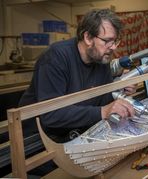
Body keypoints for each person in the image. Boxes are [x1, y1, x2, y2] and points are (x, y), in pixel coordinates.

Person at [19, 9, 136, 143]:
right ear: (87, 37)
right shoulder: (56, 57)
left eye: (115, 41)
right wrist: (103, 112)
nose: (113, 47)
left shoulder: (101, 59)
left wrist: (121, 87)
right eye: (107, 41)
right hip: (39, 140)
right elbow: (51, 115)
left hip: (73, 133)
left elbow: (102, 101)